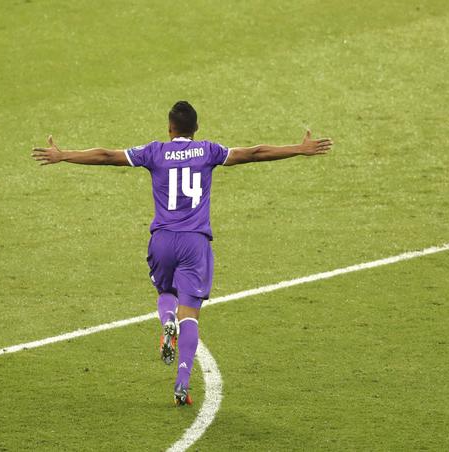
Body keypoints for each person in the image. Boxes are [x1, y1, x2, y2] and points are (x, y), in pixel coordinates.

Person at [31, 101, 332, 406]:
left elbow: (107, 156)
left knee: (165, 291)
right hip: (194, 243)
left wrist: (63, 155)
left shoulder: (154, 151)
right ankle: (182, 384)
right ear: (196, 128)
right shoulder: (207, 151)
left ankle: (167, 320)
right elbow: (253, 153)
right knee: (192, 315)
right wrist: (299, 148)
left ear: (169, 128)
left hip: (162, 239)